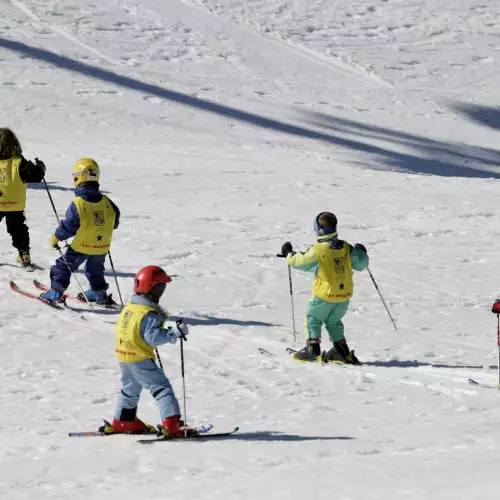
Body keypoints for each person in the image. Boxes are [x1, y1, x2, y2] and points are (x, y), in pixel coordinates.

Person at [101, 265, 195, 436]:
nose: (162, 291)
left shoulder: (131, 308)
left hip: (124, 356)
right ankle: (172, 424)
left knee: (130, 388)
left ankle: (124, 420)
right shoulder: (148, 313)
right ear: (154, 288)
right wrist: (174, 333)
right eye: (161, 288)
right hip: (140, 357)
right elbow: (153, 337)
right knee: (161, 388)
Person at [281, 212, 369, 364]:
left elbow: (300, 262)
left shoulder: (318, 249)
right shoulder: (345, 247)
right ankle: (341, 351)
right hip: (344, 296)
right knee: (333, 321)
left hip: (324, 295)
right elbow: (361, 264)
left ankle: (312, 349)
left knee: (313, 318)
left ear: (317, 228)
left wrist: (288, 254)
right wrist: (361, 251)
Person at [40, 158, 120, 304]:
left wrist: (56, 237)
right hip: (101, 246)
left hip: (81, 246)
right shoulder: (107, 202)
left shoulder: (78, 203)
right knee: (95, 269)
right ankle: (99, 293)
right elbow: (115, 222)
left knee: (63, 266)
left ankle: (56, 292)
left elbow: (69, 226)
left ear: (78, 178)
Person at [0, 128, 46, 269]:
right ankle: (24, 254)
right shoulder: (19, 162)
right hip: (15, 204)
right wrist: (40, 167)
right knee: (18, 229)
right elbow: (35, 176)